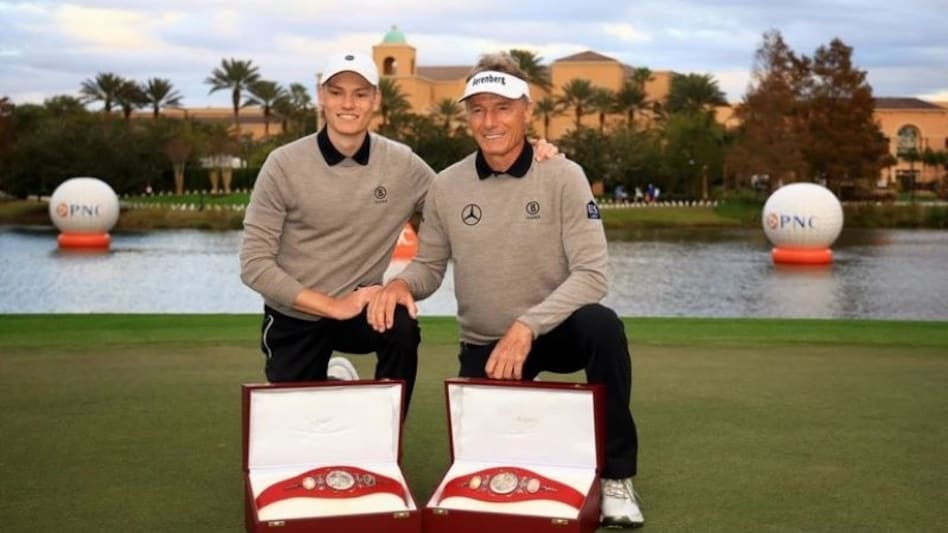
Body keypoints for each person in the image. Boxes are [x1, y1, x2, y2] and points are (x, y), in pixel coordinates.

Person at [367, 53, 644, 528]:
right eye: (478, 109)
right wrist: (398, 284)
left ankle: (617, 476)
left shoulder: (562, 174)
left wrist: (527, 325)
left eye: (502, 107)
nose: (489, 121)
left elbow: (593, 274)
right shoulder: (448, 185)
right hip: (487, 345)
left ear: (526, 111)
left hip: (554, 333)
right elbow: (430, 266)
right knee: (492, 480)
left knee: (602, 325)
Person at [240, 52, 559, 411]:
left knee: (402, 324)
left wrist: (525, 154)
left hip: (364, 307)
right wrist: (333, 305)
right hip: (296, 313)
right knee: (297, 429)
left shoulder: (402, 164)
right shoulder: (283, 164)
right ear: (321, 96)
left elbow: (459, 195)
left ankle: (387, 435)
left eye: (360, 94)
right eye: (337, 92)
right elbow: (254, 264)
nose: (348, 103)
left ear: (375, 99)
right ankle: (331, 380)